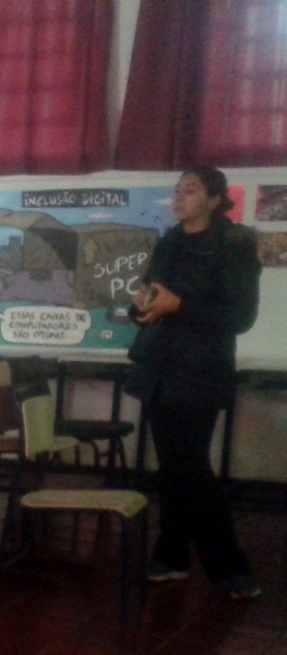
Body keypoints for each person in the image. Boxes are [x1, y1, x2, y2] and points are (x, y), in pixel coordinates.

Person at [128, 166, 262, 600]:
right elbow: (151, 302)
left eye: (190, 190)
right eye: (177, 190)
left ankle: (229, 568)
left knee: (190, 467)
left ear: (215, 199)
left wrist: (178, 305)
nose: (179, 197)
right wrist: (141, 306)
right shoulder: (168, 242)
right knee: (174, 467)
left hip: (200, 371)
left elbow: (240, 317)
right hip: (158, 368)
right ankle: (172, 556)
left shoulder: (235, 243)